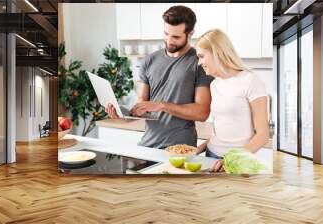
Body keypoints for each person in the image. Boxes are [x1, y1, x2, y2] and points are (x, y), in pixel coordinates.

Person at [106, 5, 213, 149]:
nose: (169, 40)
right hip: (147, 145)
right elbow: (142, 106)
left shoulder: (199, 62)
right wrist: (123, 115)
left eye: (176, 36)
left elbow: (202, 113)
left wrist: (162, 105)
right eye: (166, 33)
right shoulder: (150, 60)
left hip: (180, 150)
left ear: (191, 33)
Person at [195, 29, 269, 172]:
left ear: (217, 53)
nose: (199, 62)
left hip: (238, 161)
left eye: (202, 56)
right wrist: (200, 148)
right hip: (211, 156)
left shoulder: (251, 81)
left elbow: (263, 135)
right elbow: (219, 130)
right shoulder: (214, 84)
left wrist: (230, 160)